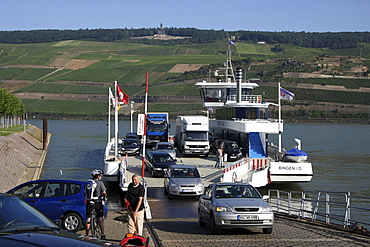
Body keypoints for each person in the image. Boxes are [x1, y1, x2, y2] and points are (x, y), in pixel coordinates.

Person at [85, 169, 107, 240]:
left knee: (88, 218)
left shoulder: (88, 183)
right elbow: (104, 192)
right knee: (100, 218)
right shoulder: (100, 183)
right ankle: (102, 234)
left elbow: (84, 192)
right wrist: (104, 198)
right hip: (97, 202)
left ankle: (87, 234)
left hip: (89, 202)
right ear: (98, 176)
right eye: (100, 175)